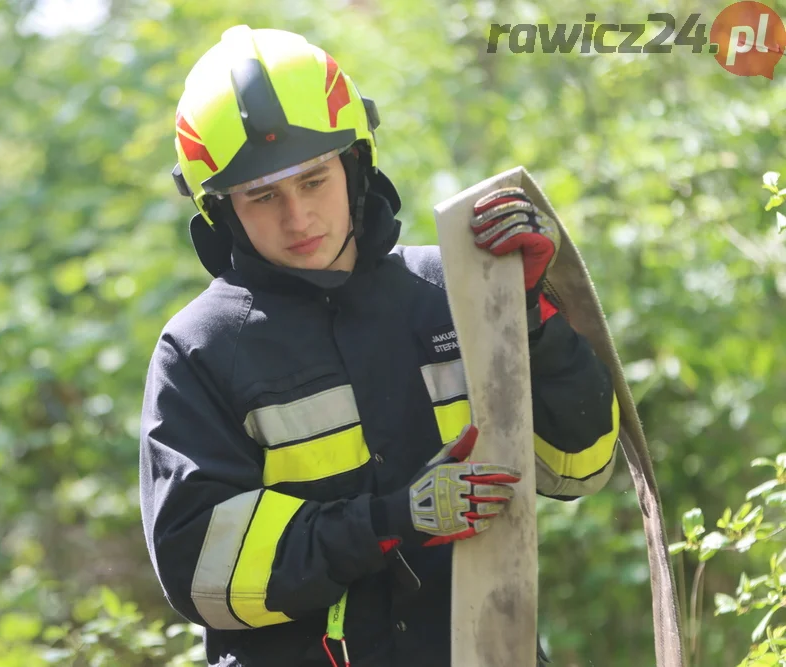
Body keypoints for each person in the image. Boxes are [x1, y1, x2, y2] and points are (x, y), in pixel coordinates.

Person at [139, 25, 619, 667]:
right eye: (263, 196)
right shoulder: (199, 350)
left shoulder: (452, 288)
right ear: (221, 210)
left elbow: (578, 467)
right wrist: (391, 521)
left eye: (314, 181)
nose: (298, 218)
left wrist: (526, 316)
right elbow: (205, 571)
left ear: (355, 163)